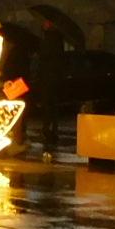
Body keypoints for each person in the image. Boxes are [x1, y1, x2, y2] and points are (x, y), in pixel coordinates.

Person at [30, 13, 73, 158]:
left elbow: (46, 57)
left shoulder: (50, 39)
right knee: (52, 104)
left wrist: (39, 57)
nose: (43, 24)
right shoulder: (57, 39)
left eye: (46, 22)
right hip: (53, 77)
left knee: (48, 104)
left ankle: (48, 130)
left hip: (49, 77)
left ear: (50, 24)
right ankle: (52, 129)